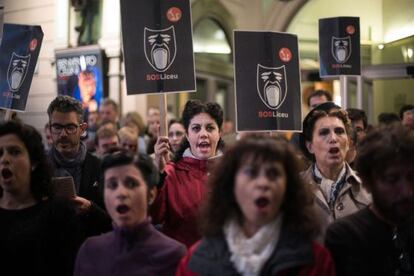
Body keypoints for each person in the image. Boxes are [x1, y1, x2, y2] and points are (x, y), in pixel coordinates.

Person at [176, 136, 335, 276]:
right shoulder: (197, 260)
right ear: (231, 184)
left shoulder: (314, 260)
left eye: (273, 174)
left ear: (289, 186)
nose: (263, 183)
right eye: (251, 173)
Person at [74, 150, 186, 275]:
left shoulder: (173, 254)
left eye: (131, 184)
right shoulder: (90, 251)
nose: (121, 193)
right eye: (112, 185)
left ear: (151, 194)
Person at [325, 124, 414, 276]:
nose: (407, 192)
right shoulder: (345, 235)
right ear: (367, 182)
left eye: (412, 178)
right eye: (392, 180)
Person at [0, 121, 80, 275]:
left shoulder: (58, 213)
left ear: (34, 162)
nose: (5, 159)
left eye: (15, 152)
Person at [151, 100, 224, 248]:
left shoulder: (233, 174)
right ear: (187, 135)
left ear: (219, 133)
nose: (203, 134)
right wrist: (157, 174)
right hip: (183, 264)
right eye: (196, 128)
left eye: (210, 128)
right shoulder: (170, 173)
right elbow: (153, 216)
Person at [299, 102, 371, 234]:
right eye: (324, 132)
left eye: (339, 131)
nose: (333, 138)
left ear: (348, 143)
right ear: (310, 146)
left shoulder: (369, 186)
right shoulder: (294, 187)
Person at [47, 95, 106, 210]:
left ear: (82, 129)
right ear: (50, 128)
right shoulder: (38, 166)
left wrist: (90, 208)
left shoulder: (98, 167)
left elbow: (112, 218)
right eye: (57, 127)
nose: (63, 134)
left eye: (70, 127)